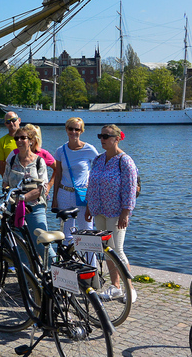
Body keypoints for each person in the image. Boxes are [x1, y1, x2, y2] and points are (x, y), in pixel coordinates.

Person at [85, 124, 138, 302]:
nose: (102, 140)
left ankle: (130, 289)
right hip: (99, 210)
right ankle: (116, 286)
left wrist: (126, 212)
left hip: (116, 212)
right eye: (100, 136)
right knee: (107, 250)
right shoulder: (98, 160)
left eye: (106, 136)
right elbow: (91, 185)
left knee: (118, 250)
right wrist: (88, 207)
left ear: (117, 138)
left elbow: (130, 189)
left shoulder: (125, 161)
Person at [2, 125, 50, 257]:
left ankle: (56, 274)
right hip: (14, 209)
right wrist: (15, 202)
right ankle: (26, 276)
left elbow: (42, 188)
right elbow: (5, 184)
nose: (19, 141)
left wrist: (23, 200)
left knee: (42, 245)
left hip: (35, 207)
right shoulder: (11, 160)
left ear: (31, 140)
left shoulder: (39, 162)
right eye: (16, 138)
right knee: (20, 247)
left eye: (23, 138)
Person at [53, 117, 99, 241]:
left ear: (81, 131)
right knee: (66, 234)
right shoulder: (60, 151)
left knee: (87, 233)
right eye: (70, 129)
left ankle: (90, 261)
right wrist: (54, 199)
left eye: (77, 129)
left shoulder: (89, 149)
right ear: (66, 130)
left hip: (82, 194)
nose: (73, 132)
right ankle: (70, 259)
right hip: (64, 193)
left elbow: (99, 170)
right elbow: (58, 176)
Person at [0, 112, 20, 176]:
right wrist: (8, 181)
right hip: (11, 181)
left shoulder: (29, 138)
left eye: (13, 120)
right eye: (8, 122)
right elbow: (0, 167)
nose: (11, 123)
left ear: (19, 120)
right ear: (5, 124)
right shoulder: (2, 141)